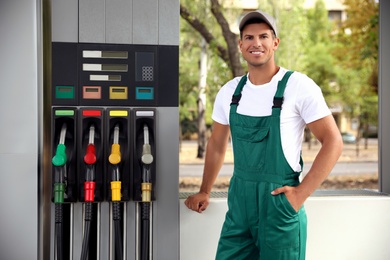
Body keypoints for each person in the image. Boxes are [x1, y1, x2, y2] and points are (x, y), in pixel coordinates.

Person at [184, 10, 343, 260]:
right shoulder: (229, 92)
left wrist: (300, 195)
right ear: (240, 45)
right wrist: (205, 190)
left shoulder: (298, 86)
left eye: (263, 36)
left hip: (279, 206)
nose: (256, 43)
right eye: (248, 37)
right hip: (240, 207)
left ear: (275, 43)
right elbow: (216, 144)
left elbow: (333, 142)